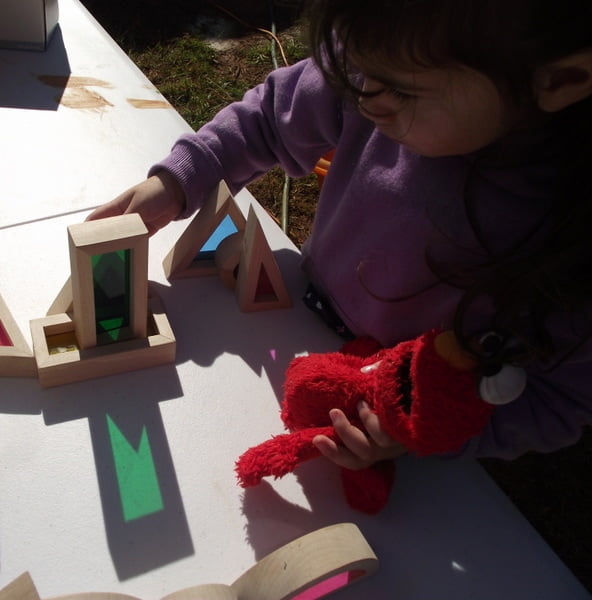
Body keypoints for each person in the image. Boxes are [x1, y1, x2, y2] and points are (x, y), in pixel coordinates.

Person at [87, 0, 592, 472]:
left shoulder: (566, 238)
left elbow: (559, 403)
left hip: (394, 398)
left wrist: (420, 426)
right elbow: (268, 118)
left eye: (401, 89)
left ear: (562, 79)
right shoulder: (381, 67)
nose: (364, 99)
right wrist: (179, 181)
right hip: (304, 320)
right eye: (352, 66)